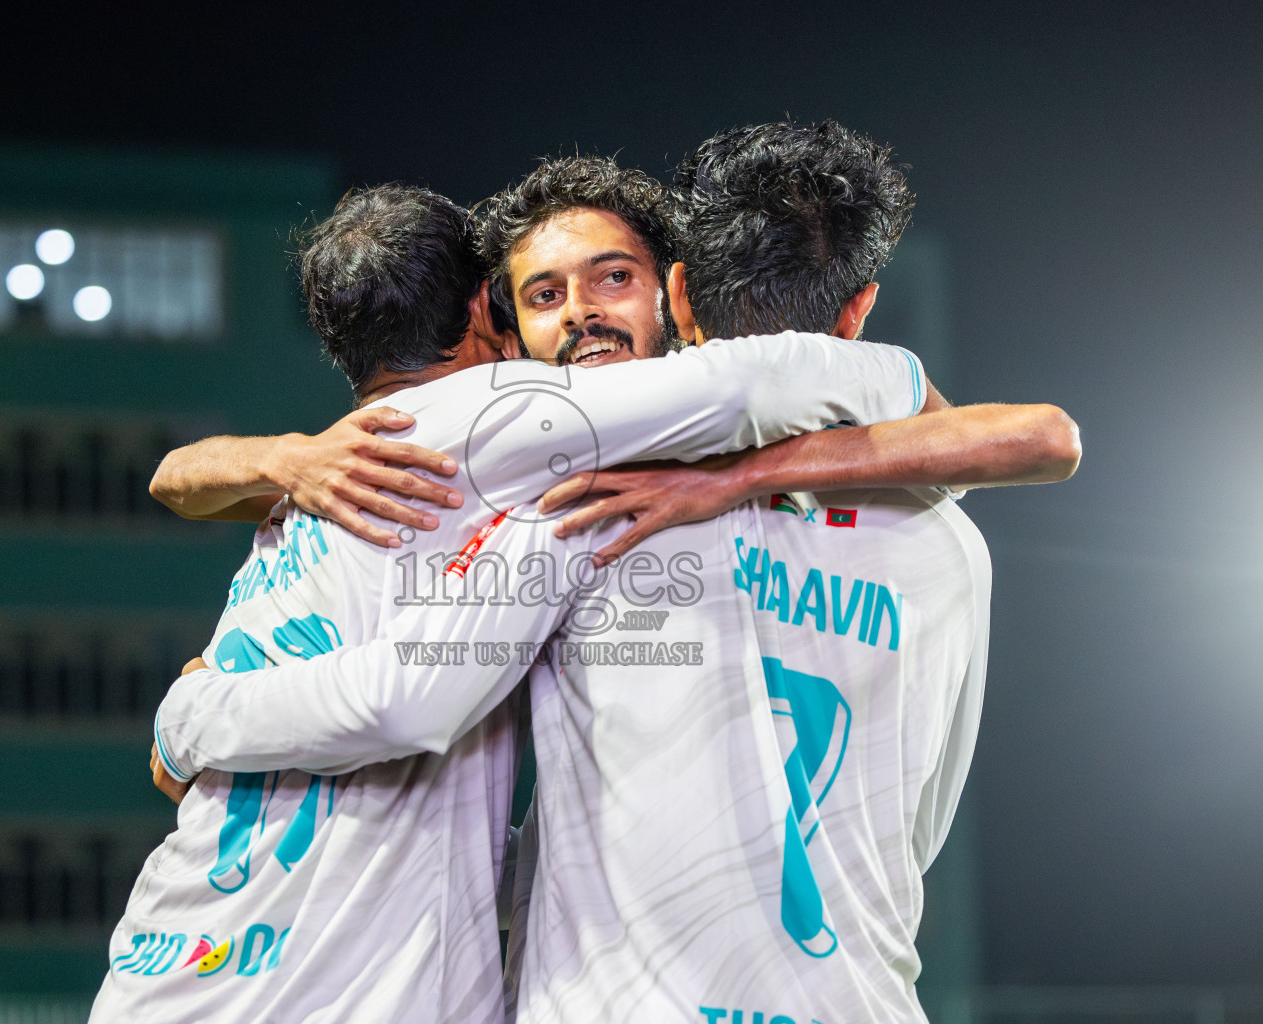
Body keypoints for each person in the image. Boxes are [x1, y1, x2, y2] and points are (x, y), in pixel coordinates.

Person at [152, 147, 1078, 1023]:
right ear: (503, 327)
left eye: (613, 278)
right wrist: (278, 458)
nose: (583, 312)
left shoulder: (580, 504)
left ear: (676, 291)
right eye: (546, 294)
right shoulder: (944, 536)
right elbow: (1031, 439)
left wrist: (198, 720)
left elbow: (406, 694)